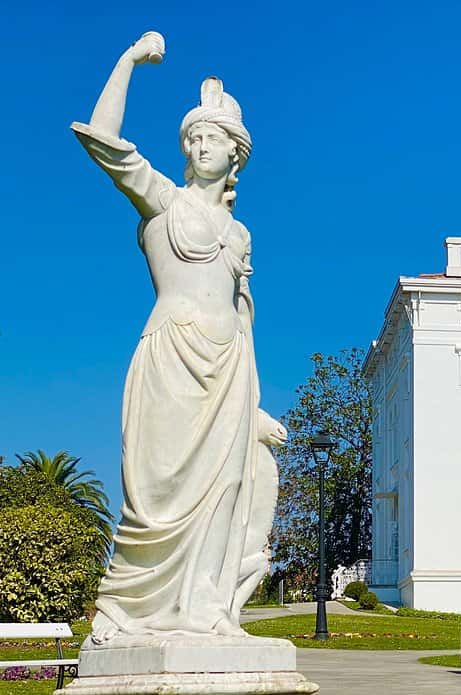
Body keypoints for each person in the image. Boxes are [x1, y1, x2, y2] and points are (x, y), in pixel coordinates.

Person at [73, 32, 286, 642]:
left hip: (229, 371)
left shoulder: (240, 234)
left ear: (234, 153)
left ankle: (206, 609)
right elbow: (105, 144)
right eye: (191, 138)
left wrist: (256, 405)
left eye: (210, 138)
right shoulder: (164, 201)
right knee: (156, 495)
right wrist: (127, 62)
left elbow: (244, 318)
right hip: (171, 357)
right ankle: (126, 609)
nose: (197, 147)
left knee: (227, 488)